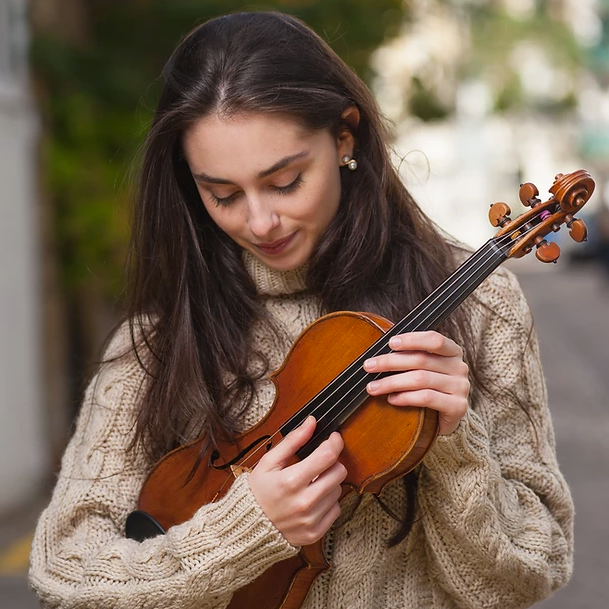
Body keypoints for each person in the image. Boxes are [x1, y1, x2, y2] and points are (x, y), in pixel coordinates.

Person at [29, 11, 574, 609]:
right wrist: (244, 530)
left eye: (286, 181)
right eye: (223, 195)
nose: (260, 222)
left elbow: (525, 577)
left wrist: (452, 442)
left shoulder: (482, 305)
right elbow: (63, 575)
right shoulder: (156, 343)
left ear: (344, 136)